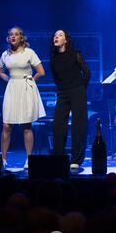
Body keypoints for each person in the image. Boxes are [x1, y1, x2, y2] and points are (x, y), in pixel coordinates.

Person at [0, 26, 46, 169]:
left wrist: (30, 80)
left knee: (26, 126)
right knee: (6, 125)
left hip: (25, 89)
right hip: (12, 89)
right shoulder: (5, 54)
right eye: (11, 34)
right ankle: (3, 159)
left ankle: (29, 159)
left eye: (16, 34)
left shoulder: (29, 53)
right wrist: (9, 79)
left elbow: (41, 71)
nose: (13, 36)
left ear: (21, 37)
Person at [50, 30, 91, 169]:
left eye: (60, 35)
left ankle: (76, 159)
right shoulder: (54, 57)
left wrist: (80, 88)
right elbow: (55, 77)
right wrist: (62, 88)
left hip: (77, 91)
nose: (56, 37)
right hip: (62, 93)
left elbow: (87, 72)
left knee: (78, 125)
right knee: (58, 125)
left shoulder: (75, 54)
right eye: (55, 35)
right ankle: (58, 157)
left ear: (66, 40)